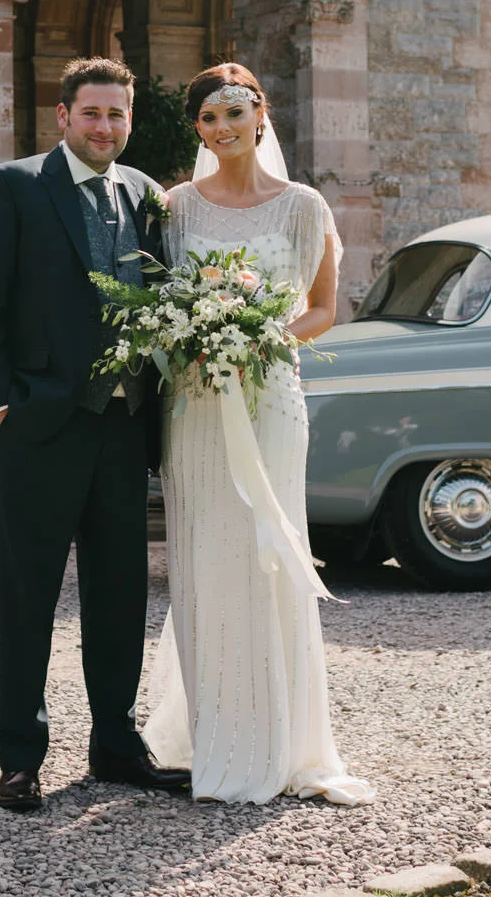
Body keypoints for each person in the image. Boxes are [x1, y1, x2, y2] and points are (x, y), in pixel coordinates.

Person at [0, 57, 192, 813]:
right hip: (39, 427)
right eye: (92, 113)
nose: (105, 127)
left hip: (124, 428)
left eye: (117, 114)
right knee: (27, 599)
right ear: (63, 116)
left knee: (119, 597)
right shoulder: (13, 186)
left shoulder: (145, 195)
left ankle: (115, 744)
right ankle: (20, 759)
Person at [143, 61, 376, 806]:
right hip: (195, 404)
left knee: (267, 551)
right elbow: (158, 300)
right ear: (199, 129)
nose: (223, 128)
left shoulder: (303, 205)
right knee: (206, 554)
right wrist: (197, 339)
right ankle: (215, 733)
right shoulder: (176, 207)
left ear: (259, 114)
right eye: (209, 118)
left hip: (270, 396)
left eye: (233, 112)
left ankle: (282, 740)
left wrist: (259, 339)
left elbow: (323, 308)